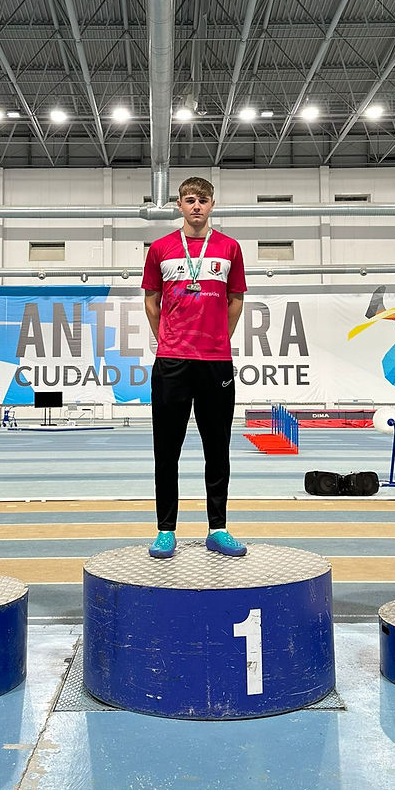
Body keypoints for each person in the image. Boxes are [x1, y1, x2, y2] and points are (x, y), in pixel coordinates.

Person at [142, 177, 247, 558]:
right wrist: (167, 338)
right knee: (166, 451)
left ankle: (217, 528)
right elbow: (151, 302)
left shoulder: (230, 248)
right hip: (172, 361)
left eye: (203, 200)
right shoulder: (160, 249)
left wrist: (220, 336)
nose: (197, 206)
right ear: (179, 204)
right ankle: (165, 529)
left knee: (217, 450)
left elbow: (235, 301)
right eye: (190, 200)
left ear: (212, 204)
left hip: (215, 362)